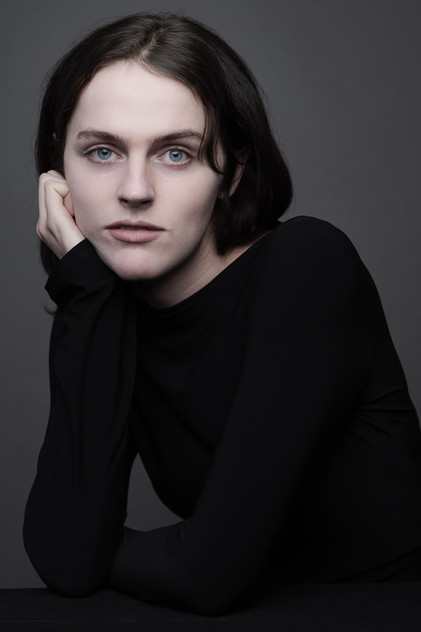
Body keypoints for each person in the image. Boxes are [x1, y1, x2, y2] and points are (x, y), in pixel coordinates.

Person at [24, 12, 421, 615]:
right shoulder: (109, 305)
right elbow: (69, 563)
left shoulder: (307, 267)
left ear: (232, 172)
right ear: (59, 172)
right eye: (102, 152)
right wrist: (87, 288)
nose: (135, 190)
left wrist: (95, 549)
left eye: (175, 154)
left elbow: (203, 574)